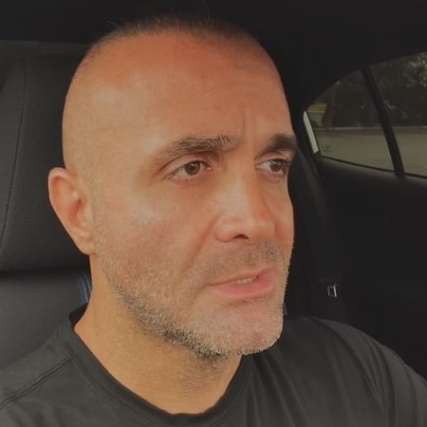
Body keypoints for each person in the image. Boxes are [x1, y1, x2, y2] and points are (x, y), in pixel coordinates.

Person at [0, 13, 426, 426]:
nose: (259, 221)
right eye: (191, 168)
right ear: (79, 212)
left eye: (274, 165)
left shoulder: (356, 372)